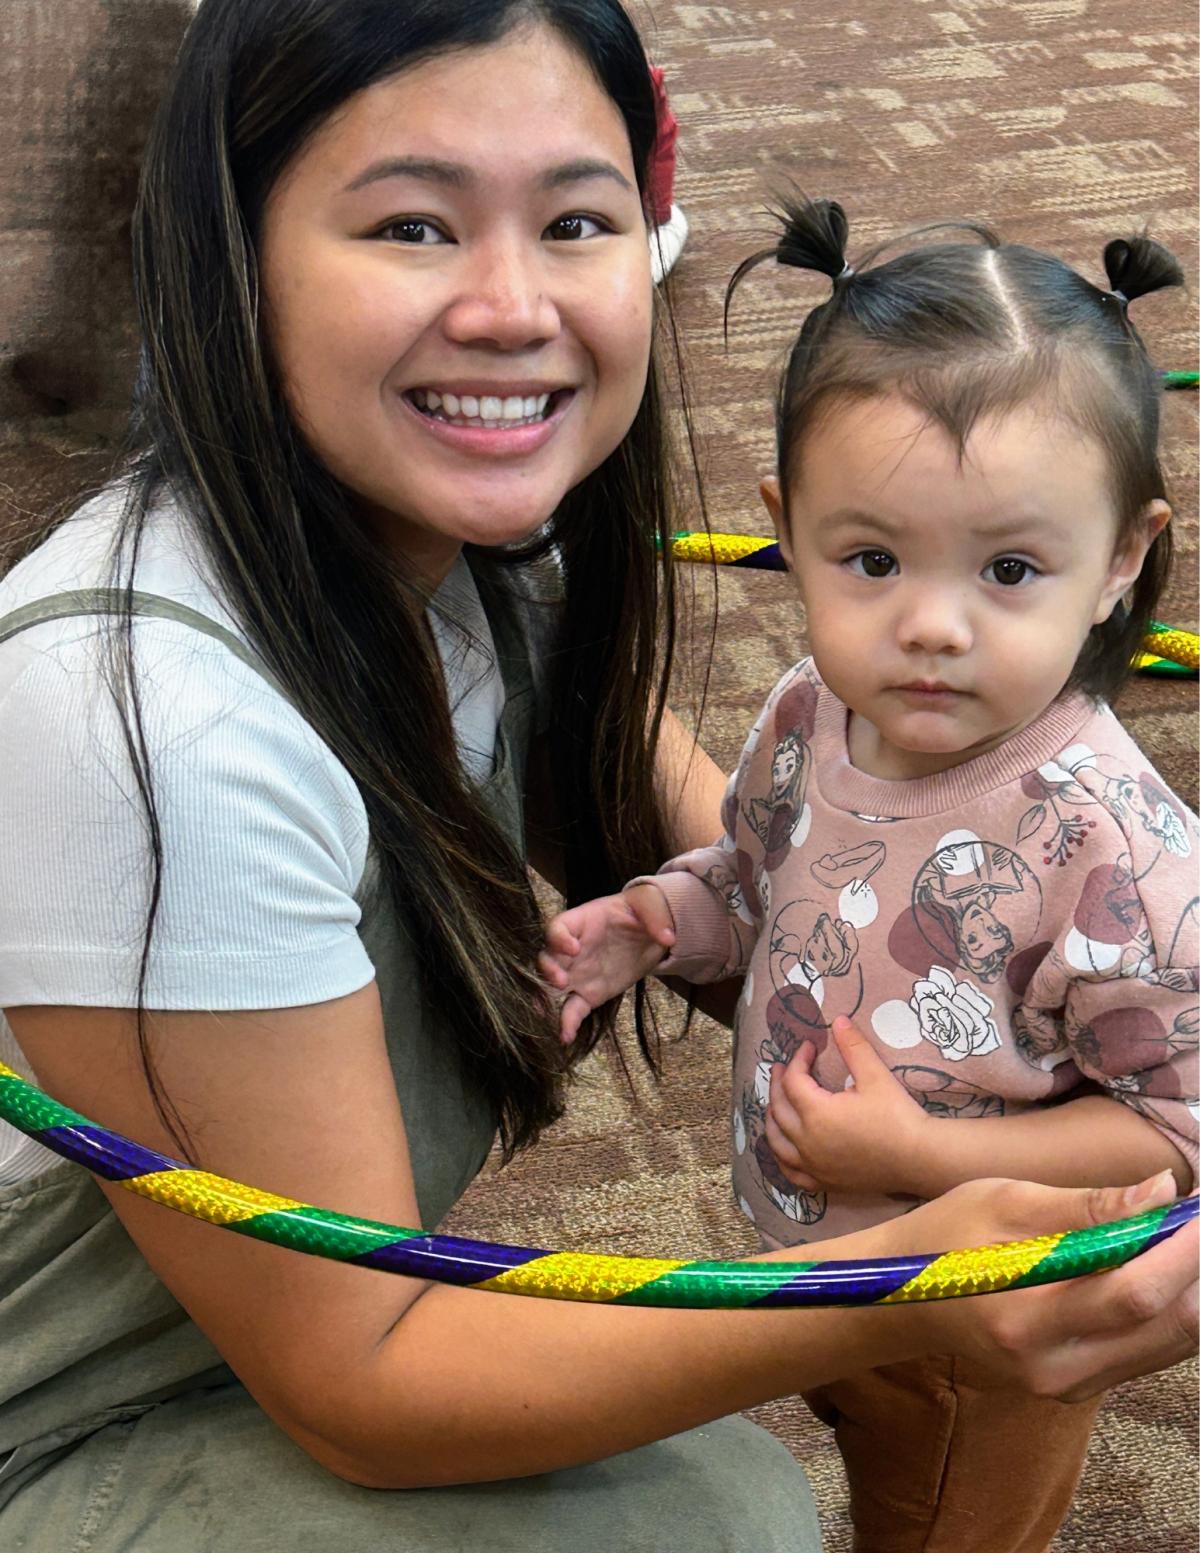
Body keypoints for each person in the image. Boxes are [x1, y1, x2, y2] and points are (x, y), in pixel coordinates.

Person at [0, 5, 1195, 1547]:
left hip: (248, 1321)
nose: (514, 308)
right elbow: (363, 1380)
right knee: (724, 1519)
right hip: (63, 1397)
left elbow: (736, 842)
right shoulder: (149, 726)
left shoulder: (482, 553)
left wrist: (854, 950)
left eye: (575, 220)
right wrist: (893, 1273)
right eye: (413, 225)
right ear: (232, 255)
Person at [540, 195, 1200, 1552]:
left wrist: (922, 1155)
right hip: (824, 1268)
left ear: (1121, 559)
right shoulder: (809, 710)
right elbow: (760, 875)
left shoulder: (1114, 849)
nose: (931, 625)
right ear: (788, 528)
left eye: (1009, 567)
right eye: (874, 559)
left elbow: (1174, 1138)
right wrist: (661, 919)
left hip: (982, 1328)